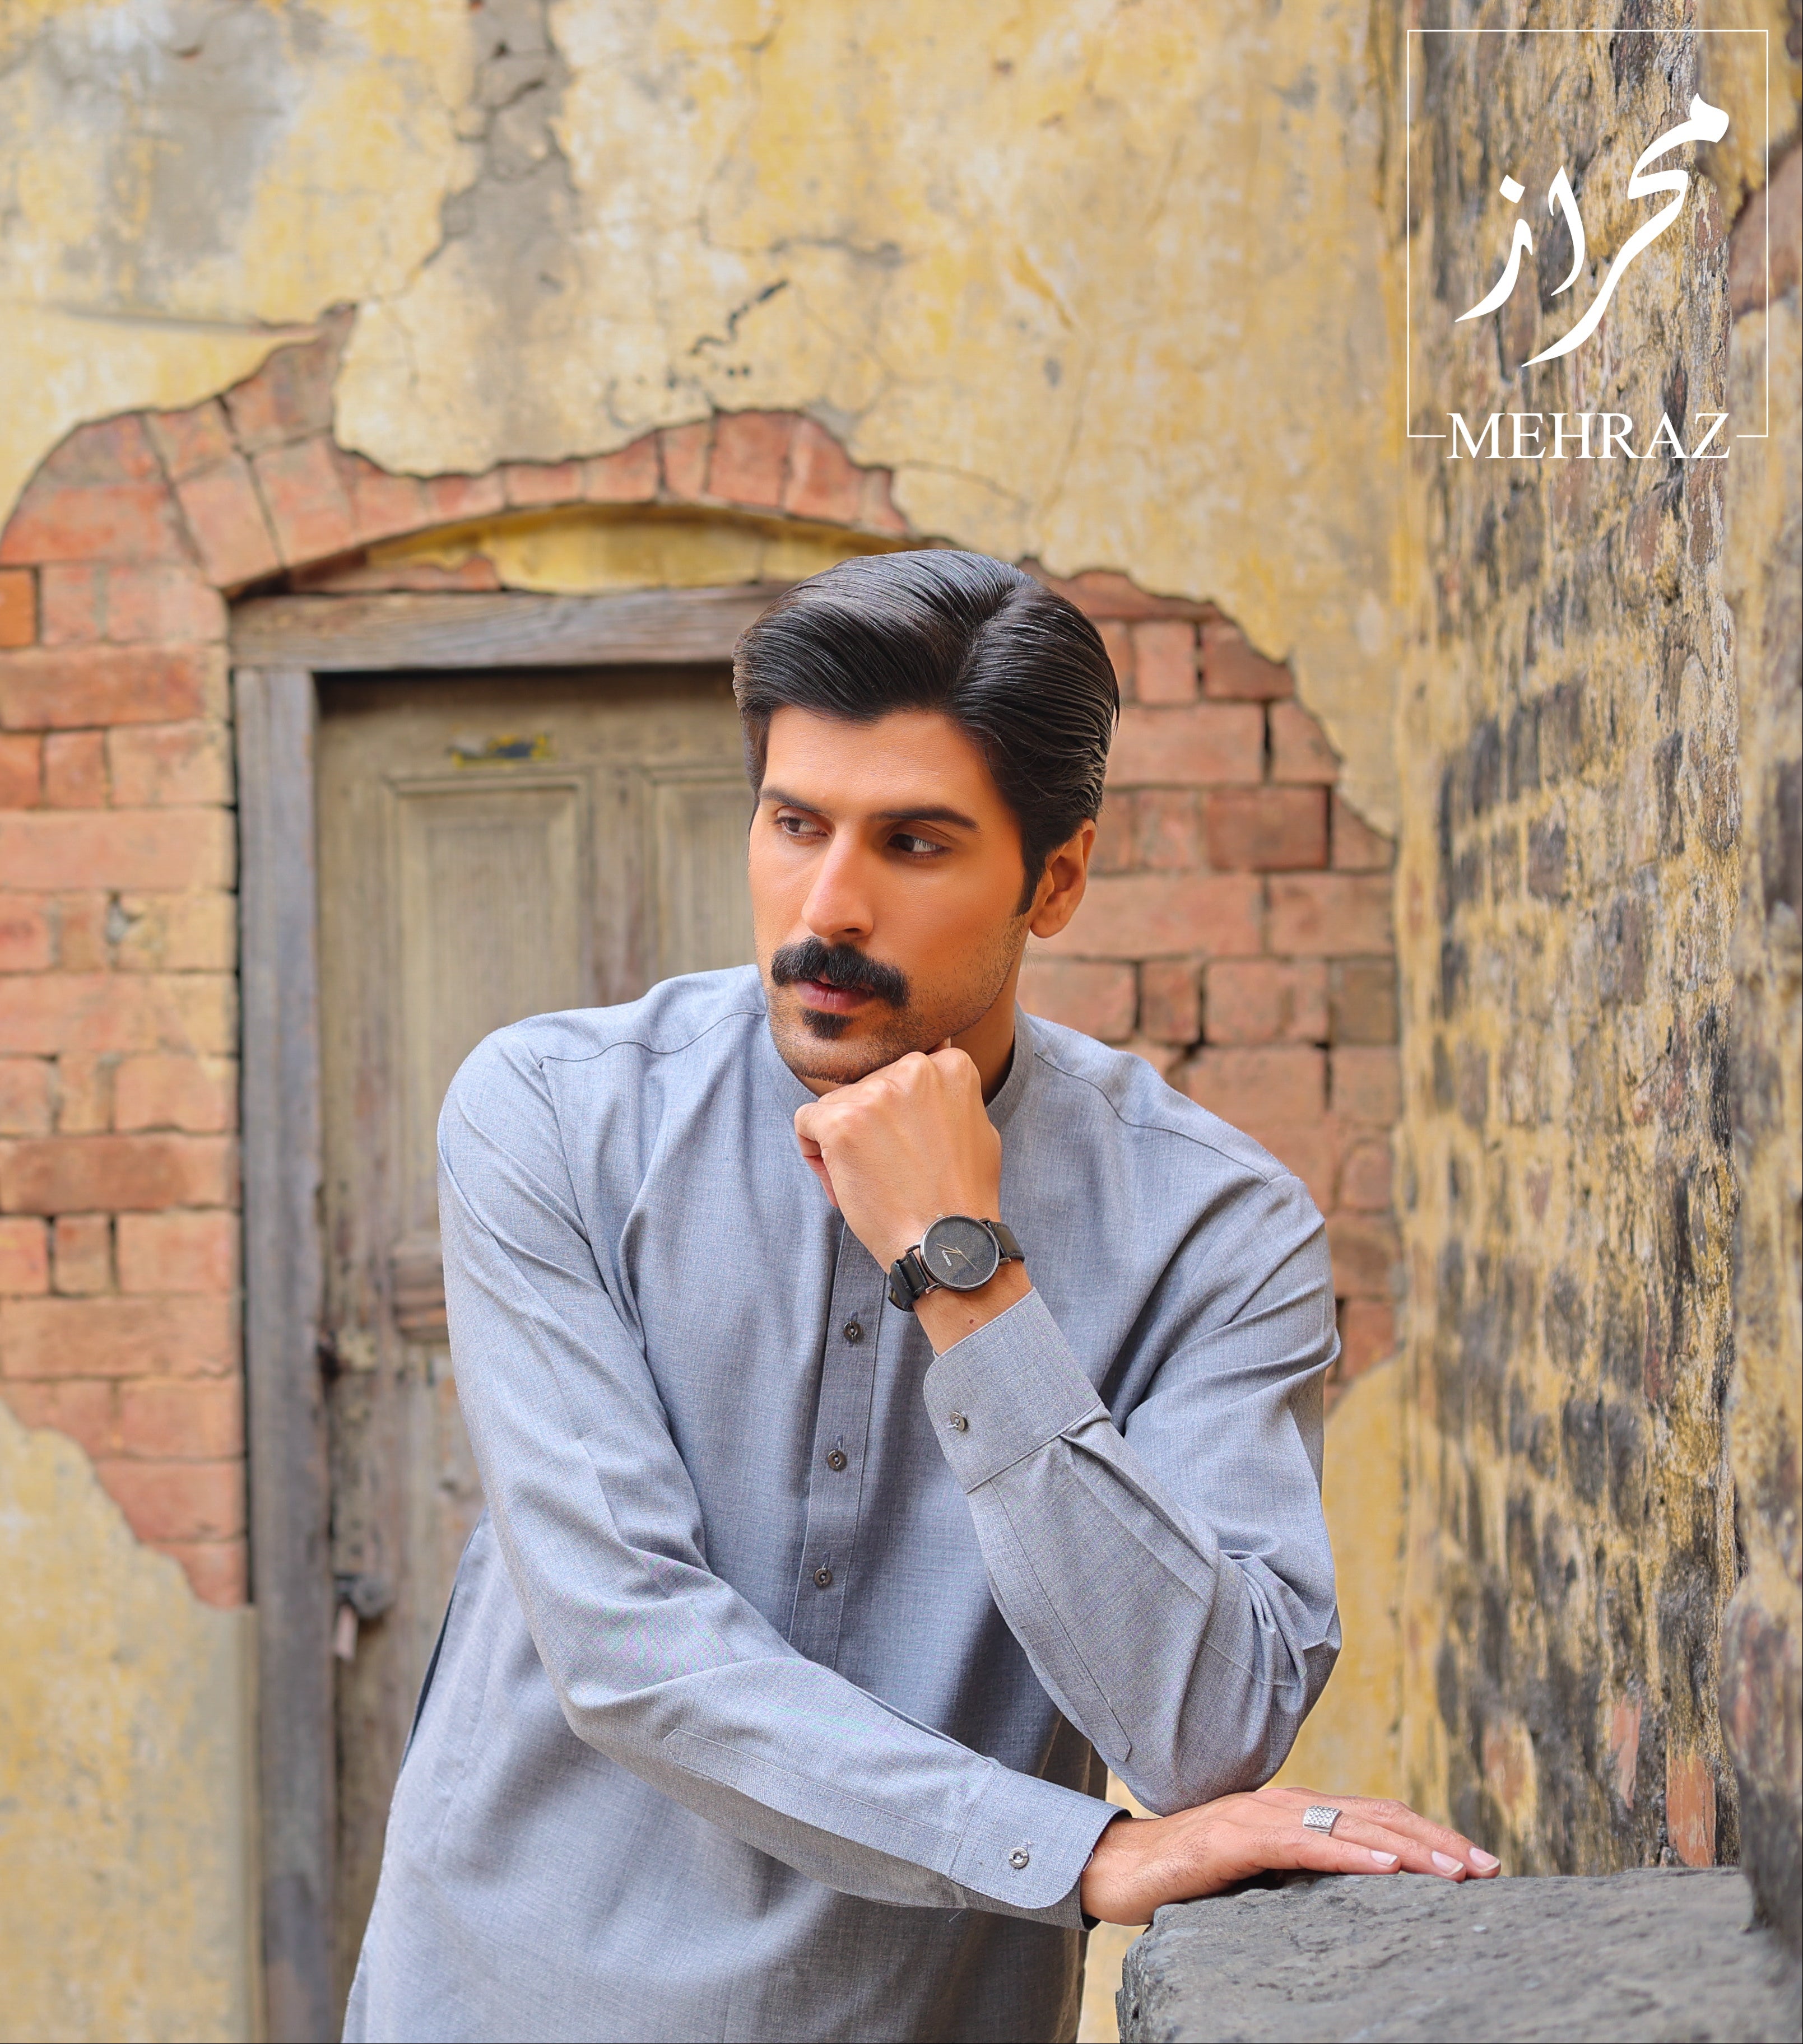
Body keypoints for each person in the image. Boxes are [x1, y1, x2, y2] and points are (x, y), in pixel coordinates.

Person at [345, 551, 1496, 2044]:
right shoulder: (550, 1114)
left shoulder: (1218, 1229)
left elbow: (1209, 1728)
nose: (828, 905)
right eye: (792, 822)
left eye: (915, 841)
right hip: (506, 2000)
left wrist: (972, 1275)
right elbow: (627, 1640)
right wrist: (1074, 1849)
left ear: (1056, 878)